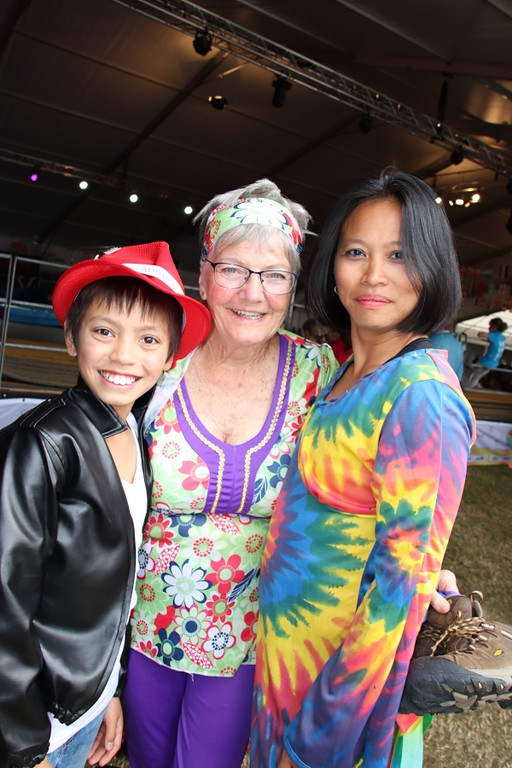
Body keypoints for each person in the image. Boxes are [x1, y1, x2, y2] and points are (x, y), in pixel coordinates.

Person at [251, 169, 477, 768]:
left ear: (433, 266)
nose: (374, 274)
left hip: (330, 703)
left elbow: (398, 591)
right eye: (356, 252)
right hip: (283, 667)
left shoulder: (421, 395)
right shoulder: (344, 373)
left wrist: (318, 739)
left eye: (399, 255)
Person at [122, 180, 338, 768]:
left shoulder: (318, 372)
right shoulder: (160, 359)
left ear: (293, 287)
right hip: (141, 628)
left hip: (251, 638)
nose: (253, 292)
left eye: (275, 275)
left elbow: (363, 481)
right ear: (204, 275)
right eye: (234, 269)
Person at [0, 242, 210, 768]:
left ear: (170, 357)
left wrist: (108, 690)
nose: (123, 356)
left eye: (148, 339)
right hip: (31, 724)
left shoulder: (133, 432)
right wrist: (21, 745)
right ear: (71, 337)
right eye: (103, 331)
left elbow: (114, 589)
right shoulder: (44, 444)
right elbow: (5, 600)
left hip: (82, 708)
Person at [462, 317, 508, 389]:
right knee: (477, 376)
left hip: (485, 361)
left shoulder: (494, 335)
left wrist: (487, 335)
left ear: (494, 326)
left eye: (490, 326)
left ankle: (463, 387)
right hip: (494, 363)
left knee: (470, 372)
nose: (489, 328)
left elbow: (480, 334)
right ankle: (466, 388)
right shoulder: (502, 337)